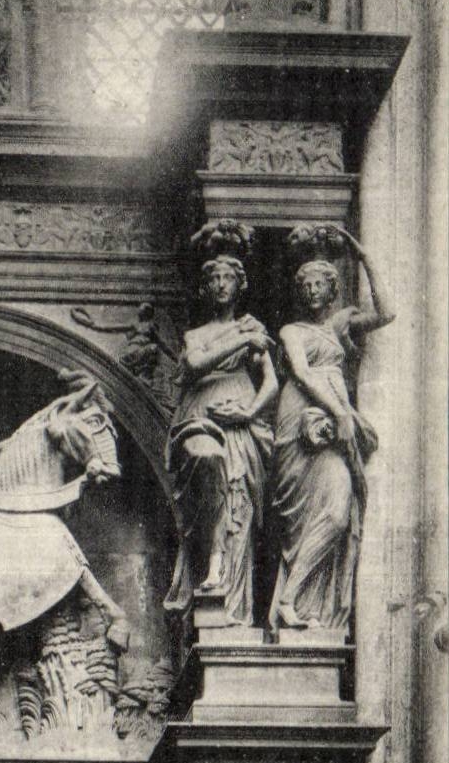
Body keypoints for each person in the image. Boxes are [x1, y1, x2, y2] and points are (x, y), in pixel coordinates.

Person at [269, 227, 394, 632]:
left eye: (320, 283)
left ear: (333, 288)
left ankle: (292, 599)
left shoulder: (340, 326)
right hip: (299, 417)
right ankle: (288, 604)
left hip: (334, 420)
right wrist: (338, 411)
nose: (312, 291)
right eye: (304, 285)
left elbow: (387, 313)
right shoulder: (291, 331)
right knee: (306, 517)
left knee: (338, 515)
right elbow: (303, 373)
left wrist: (364, 257)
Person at [164, 242, 277, 626]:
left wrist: (248, 411)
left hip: (242, 425)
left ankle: (231, 608)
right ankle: (209, 574)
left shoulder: (253, 329)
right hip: (200, 416)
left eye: (228, 278)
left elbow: (272, 384)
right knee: (206, 466)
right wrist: (243, 338)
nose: (221, 285)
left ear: (239, 285)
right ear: (204, 288)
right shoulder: (199, 334)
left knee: (238, 504)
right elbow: (195, 363)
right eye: (213, 279)